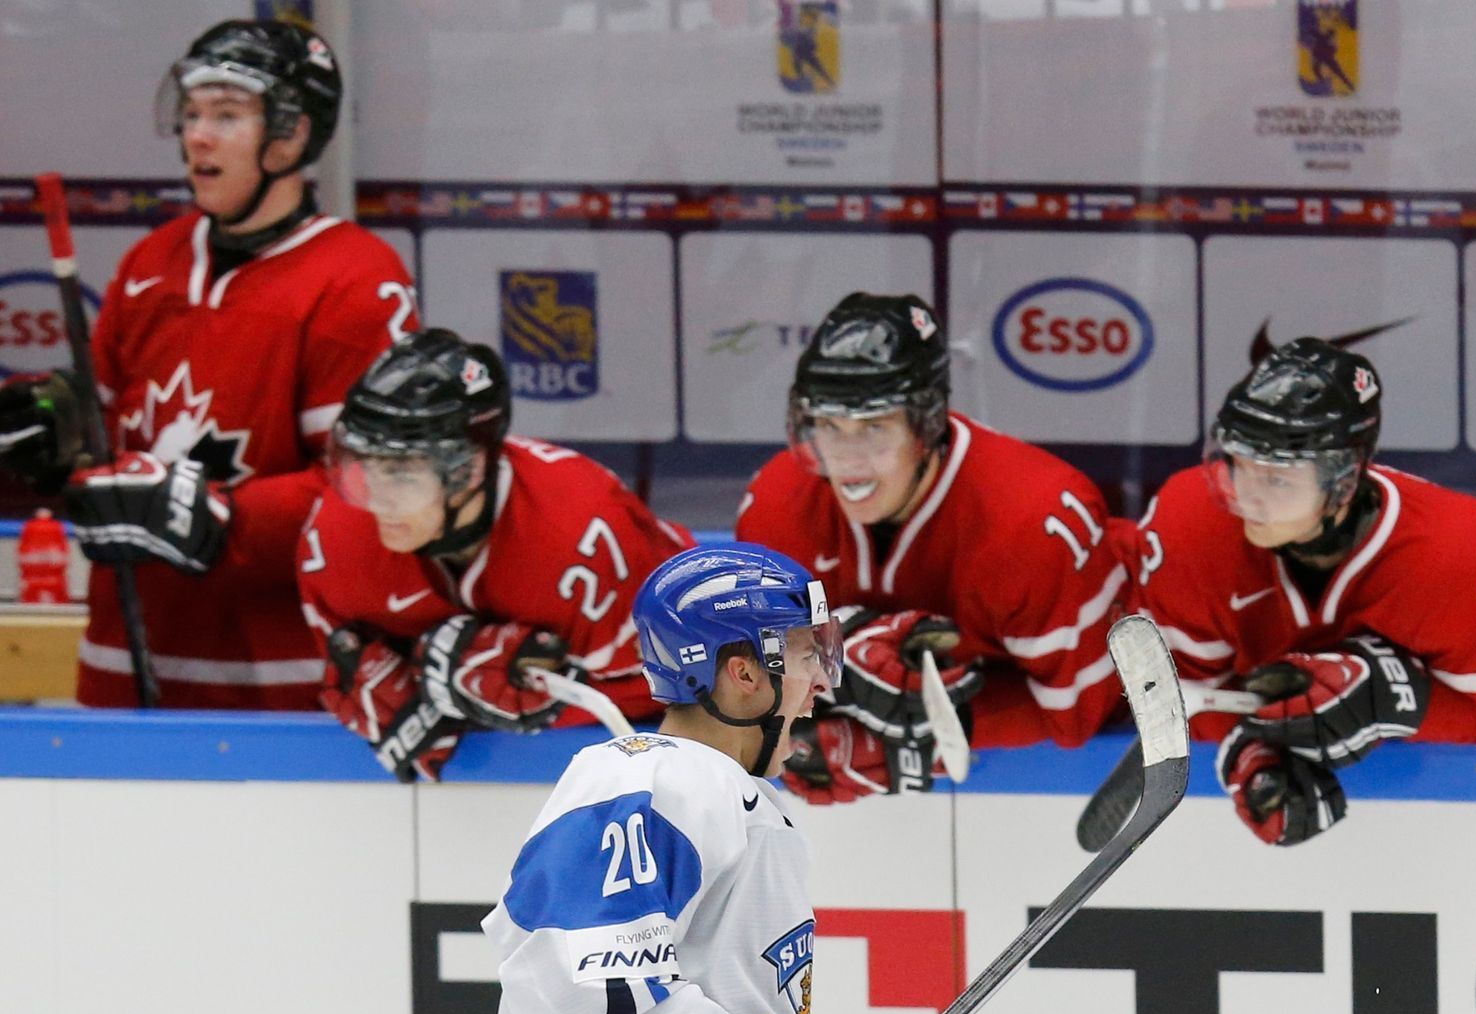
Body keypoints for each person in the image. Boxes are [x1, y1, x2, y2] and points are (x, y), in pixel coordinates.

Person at [483, 543, 1072, 1014]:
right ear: (741, 677)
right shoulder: (646, 780)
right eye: (802, 656)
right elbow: (587, 995)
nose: (820, 682)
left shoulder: (740, 801)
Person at [0, 18, 419, 708]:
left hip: (280, 682)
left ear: (291, 135)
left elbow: (378, 490)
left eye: (226, 115)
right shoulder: (151, 262)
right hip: (124, 664)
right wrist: (57, 431)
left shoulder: (357, 281)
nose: (197, 135)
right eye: (193, 114)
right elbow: (103, 439)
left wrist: (224, 516)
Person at [1133, 337, 1476, 846]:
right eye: (1239, 464)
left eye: (1277, 479)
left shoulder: (1455, 553)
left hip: (1444, 838)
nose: (1246, 496)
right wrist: (1254, 754)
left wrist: (1391, 697)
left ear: (1343, 482)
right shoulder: (1188, 523)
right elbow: (1191, 693)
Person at [736, 292, 1127, 804]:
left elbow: (1077, 712)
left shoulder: (1034, 526)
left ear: (926, 427)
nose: (847, 459)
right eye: (829, 426)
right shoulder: (776, 507)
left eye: (874, 428)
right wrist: (796, 725)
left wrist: (903, 747)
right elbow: (754, 677)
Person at [299, 329, 692, 781]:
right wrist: (417, 701)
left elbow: (690, 679)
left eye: (401, 475)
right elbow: (355, 680)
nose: (375, 499)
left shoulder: (582, 535)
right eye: (360, 467)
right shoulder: (335, 539)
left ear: (468, 469)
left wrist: (549, 698)